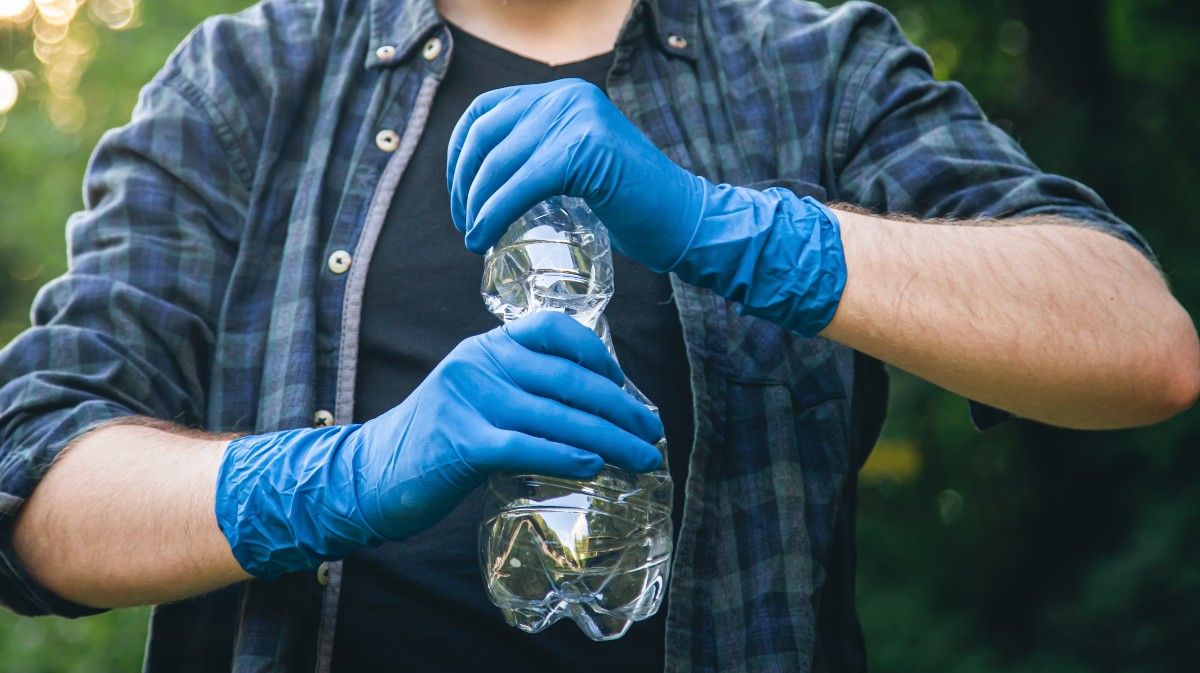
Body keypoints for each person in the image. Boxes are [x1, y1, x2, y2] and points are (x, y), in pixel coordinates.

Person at [0, 0, 1196, 671]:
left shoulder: (818, 69)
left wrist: (726, 225)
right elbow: (35, 488)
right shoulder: (246, 82)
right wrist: (346, 475)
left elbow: (1142, 345)